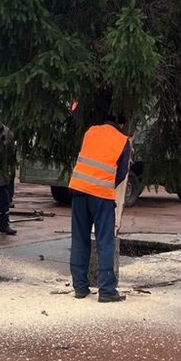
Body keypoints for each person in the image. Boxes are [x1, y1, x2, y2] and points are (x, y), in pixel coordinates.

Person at [68, 116, 132, 303]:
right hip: (101, 195)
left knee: (80, 239)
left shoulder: (91, 131)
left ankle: (80, 288)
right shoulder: (122, 141)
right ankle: (106, 291)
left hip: (78, 190)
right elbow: (121, 173)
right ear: (121, 124)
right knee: (105, 241)